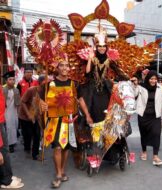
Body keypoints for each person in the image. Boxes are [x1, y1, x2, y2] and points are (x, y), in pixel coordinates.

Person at [40, 58, 78, 188]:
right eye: (61, 65)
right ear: (57, 68)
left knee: (65, 148)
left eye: (67, 65)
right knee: (57, 147)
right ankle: (58, 174)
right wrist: (42, 104)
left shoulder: (73, 83)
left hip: (68, 120)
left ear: (69, 68)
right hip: (54, 121)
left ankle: (62, 171)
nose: (64, 68)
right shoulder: (49, 84)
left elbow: (76, 100)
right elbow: (38, 98)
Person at [78, 28, 129, 125]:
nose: (102, 48)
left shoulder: (109, 60)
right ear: (96, 47)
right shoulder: (93, 59)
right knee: (92, 112)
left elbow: (119, 71)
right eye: (99, 46)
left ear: (106, 47)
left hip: (105, 90)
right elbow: (88, 73)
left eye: (104, 46)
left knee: (108, 112)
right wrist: (89, 58)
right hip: (93, 90)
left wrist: (129, 79)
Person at [134, 70, 162, 166]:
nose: (153, 81)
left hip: (155, 116)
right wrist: (135, 85)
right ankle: (144, 151)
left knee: (156, 134)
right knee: (143, 134)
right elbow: (134, 94)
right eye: (151, 79)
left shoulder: (159, 88)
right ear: (148, 78)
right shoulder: (141, 87)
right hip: (143, 115)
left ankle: (155, 156)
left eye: (155, 79)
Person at [0, 85, 24, 189]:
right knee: (3, 152)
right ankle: (6, 180)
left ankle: (6, 176)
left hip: (2, 119)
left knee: (5, 150)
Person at [18, 75, 46, 160]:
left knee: (37, 135)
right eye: (45, 82)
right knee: (28, 135)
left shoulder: (47, 92)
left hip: (36, 116)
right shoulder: (31, 90)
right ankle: (27, 147)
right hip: (24, 116)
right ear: (40, 82)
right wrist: (28, 115)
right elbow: (22, 102)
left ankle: (35, 154)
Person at [2, 71, 20, 153]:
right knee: (8, 128)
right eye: (10, 79)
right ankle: (9, 145)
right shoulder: (2, 90)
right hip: (5, 112)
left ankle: (12, 143)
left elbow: (18, 103)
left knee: (14, 127)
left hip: (14, 112)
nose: (12, 81)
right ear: (6, 81)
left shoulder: (16, 90)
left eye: (13, 79)